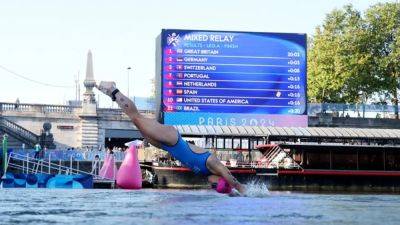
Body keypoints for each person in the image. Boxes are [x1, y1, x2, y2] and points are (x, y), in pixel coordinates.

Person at [96, 81, 246, 195]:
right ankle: (113, 90)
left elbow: (221, 184)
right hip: (172, 139)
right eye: (220, 183)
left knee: (138, 125)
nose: (216, 184)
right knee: (136, 118)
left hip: (167, 145)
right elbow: (228, 176)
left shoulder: (208, 175)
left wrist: (232, 193)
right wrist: (242, 190)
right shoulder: (213, 163)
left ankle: (114, 95)